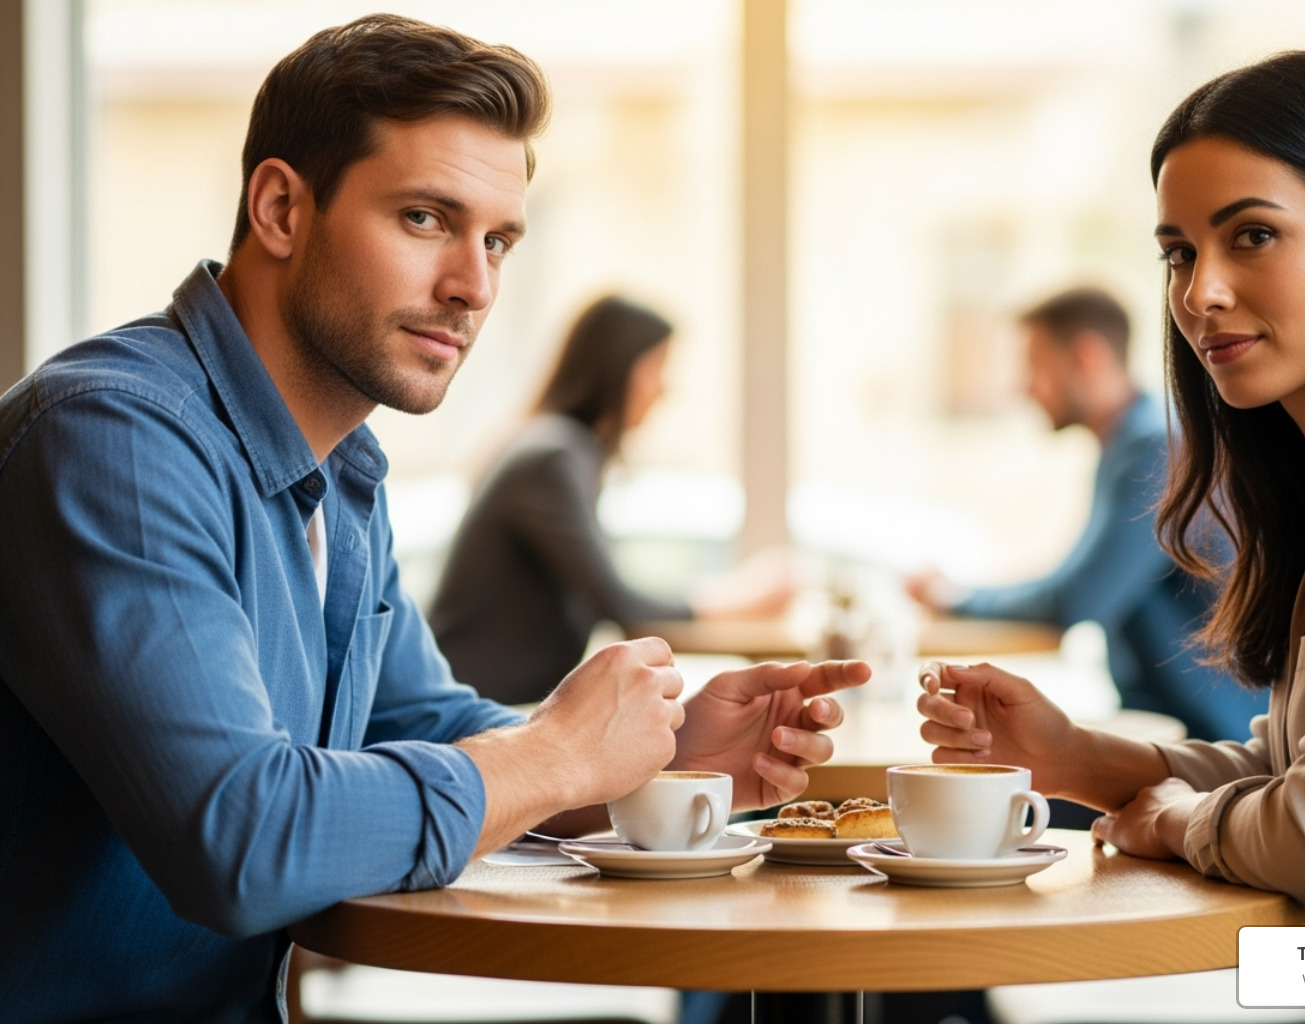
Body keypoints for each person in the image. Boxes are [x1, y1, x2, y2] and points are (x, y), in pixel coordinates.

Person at [0, 16, 868, 1023]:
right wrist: (553, 757)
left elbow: (427, 726)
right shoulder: (115, 441)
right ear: (281, 208)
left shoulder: (338, 472)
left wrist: (655, 756)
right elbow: (242, 839)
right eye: (424, 218)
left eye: (497, 240)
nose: (474, 287)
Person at [917, 51, 1305, 1023]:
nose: (1199, 292)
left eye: (1253, 235)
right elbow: (1301, 780)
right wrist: (1069, 756)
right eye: (1178, 253)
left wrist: (1182, 823)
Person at [907, 287, 1265, 741]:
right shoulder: (1137, 443)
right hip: (1171, 724)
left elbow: (1075, 599)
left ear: (1086, 358)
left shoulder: (1157, 450)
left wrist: (954, 597)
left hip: (1210, 740)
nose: (1023, 386)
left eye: (1033, 365)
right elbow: (1080, 581)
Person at [430, 294, 796, 705]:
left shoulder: (559, 449)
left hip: (495, 705)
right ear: (617, 367)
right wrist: (739, 595)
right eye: (656, 367)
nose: (664, 389)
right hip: (468, 712)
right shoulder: (551, 459)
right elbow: (618, 601)